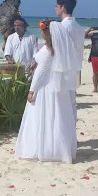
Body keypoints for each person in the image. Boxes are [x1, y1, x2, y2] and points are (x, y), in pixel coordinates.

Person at [15, 20, 76, 163]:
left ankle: (43, 149)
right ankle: (55, 149)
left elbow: (40, 72)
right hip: (57, 89)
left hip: (45, 88)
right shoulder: (55, 49)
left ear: (47, 33)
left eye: (43, 30)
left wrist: (31, 90)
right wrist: (35, 61)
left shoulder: (49, 51)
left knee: (43, 117)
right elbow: (40, 61)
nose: (41, 32)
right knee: (56, 118)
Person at [49, 0, 85, 123]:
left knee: (59, 105)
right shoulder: (78, 27)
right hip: (74, 68)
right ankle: (71, 137)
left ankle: (63, 137)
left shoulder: (61, 27)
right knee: (71, 104)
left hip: (61, 69)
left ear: (63, 8)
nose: (55, 8)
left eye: (57, 6)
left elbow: (55, 50)